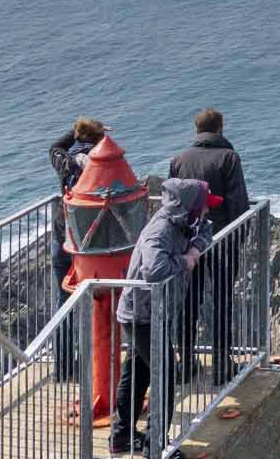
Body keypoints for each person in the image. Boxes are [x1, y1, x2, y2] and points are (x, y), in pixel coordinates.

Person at [109, 177, 218, 457]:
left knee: (136, 374)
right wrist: (186, 261)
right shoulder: (161, 229)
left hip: (152, 312)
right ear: (190, 208)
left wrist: (194, 250)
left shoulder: (185, 222)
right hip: (142, 314)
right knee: (165, 375)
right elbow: (154, 270)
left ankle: (121, 438)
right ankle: (155, 447)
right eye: (203, 207)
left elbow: (207, 230)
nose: (206, 212)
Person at [168, 109, 249, 384]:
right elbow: (238, 203)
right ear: (221, 128)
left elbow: (172, 202)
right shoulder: (229, 158)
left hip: (188, 240)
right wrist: (240, 236)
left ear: (197, 130)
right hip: (221, 239)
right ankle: (221, 365)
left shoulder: (179, 160)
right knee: (222, 301)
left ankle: (186, 361)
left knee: (188, 301)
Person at [48, 118, 107, 382]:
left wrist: (75, 133)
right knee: (97, 302)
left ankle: (62, 368)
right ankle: (93, 362)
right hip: (88, 244)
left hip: (62, 237)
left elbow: (55, 146)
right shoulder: (97, 162)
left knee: (63, 304)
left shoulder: (64, 160)